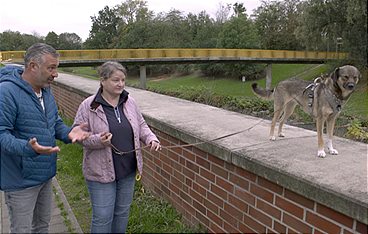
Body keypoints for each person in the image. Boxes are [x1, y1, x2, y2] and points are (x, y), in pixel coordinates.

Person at [0, 43, 90, 233]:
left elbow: (55, 122)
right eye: (51, 68)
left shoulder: (46, 90)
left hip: (45, 174)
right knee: (21, 230)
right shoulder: (6, 92)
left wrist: (68, 133)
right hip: (20, 180)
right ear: (33, 66)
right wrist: (28, 148)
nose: (55, 74)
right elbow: (1, 134)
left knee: (42, 226)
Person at [73, 61, 161, 233]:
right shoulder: (89, 105)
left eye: (123, 80)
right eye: (115, 80)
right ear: (103, 80)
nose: (120, 84)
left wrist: (151, 139)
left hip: (127, 169)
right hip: (100, 172)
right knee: (103, 216)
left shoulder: (130, 102)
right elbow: (78, 135)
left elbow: (141, 125)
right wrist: (99, 140)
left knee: (122, 213)